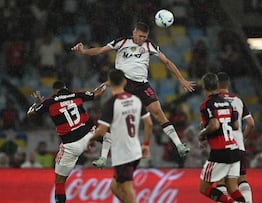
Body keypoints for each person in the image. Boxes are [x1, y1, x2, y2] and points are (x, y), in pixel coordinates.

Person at [71, 22, 195, 167]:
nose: (142, 39)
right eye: (140, 36)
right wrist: (84, 51)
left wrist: (181, 79)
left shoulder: (149, 45)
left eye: (145, 37)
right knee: (111, 119)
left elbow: (166, 62)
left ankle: (179, 145)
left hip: (142, 85)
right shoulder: (122, 42)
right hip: (123, 84)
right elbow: (99, 51)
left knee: (158, 112)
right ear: (134, 32)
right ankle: (103, 158)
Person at [27, 80, 106, 203]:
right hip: (87, 136)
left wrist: (37, 104)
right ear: (65, 88)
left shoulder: (49, 102)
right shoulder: (76, 94)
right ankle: (118, 148)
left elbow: (30, 114)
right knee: (103, 133)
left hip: (70, 145)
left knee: (59, 182)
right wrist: (106, 83)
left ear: (54, 91)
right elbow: (98, 92)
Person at [87, 69, 152, 203]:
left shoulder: (110, 104)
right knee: (115, 187)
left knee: (127, 189)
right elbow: (149, 124)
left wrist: (88, 140)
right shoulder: (135, 99)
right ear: (125, 82)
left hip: (123, 154)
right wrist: (146, 144)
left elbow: (101, 131)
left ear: (109, 83)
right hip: (135, 150)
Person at [198, 73, 245, 203]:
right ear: (217, 86)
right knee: (232, 188)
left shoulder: (206, 104)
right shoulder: (227, 102)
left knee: (203, 188)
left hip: (220, 152)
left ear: (203, 86)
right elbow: (235, 126)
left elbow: (214, 124)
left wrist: (202, 133)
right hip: (234, 149)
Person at [216, 72, 255, 203]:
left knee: (221, 182)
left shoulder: (213, 101)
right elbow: (251, 123)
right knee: (242, 180)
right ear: (229, 84)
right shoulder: (238, 100)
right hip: (238, 146)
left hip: (221, 147)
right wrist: (242, 139)